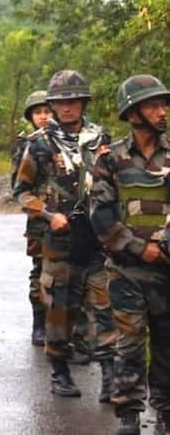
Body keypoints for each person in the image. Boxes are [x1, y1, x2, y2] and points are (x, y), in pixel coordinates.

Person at [14, 69, 117, 401]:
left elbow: (115, 181)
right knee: (60, 309)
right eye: (60, 102)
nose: (67, 107)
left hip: (99, 238)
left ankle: (110, 377)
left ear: (83, 101)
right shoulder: (39, 143)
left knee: (105, 307)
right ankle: (59, 373)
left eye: (73, 101)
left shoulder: (101, 138)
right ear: (52, 105)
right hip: (59, 240)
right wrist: (48, 214)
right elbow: (22, 191)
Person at [89, 74, 170, 435]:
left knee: (167, 344)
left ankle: (166, 411)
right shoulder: (110, 159)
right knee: (130, 343)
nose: (162, 111)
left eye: (164, 104)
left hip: (167, 269)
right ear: (133, 112)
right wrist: (140, 248)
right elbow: (100, 215)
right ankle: (128, 415)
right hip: (126, 271)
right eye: (154, 105)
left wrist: (163, 248)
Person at [10, 90, 52, 346]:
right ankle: (39, 323)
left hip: (70, 216)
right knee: (39, 271)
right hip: (39, 219)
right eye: (38, 113)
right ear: (31, 117)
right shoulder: (27, 145)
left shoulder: (67, 140)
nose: (44, 117)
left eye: (47, 111)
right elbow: (17, 184)